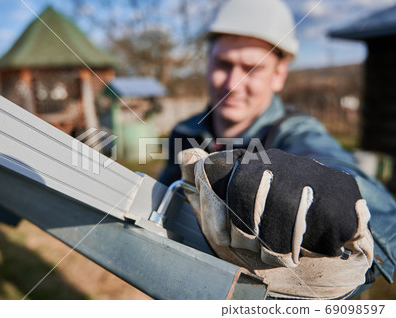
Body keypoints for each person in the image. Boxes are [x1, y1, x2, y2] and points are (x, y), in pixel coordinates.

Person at [159, 0, 396, 299]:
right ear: (208, 62)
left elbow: (347, 180)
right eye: (223, 64)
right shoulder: (185, 132)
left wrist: (334, 197)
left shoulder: (295, 132)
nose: (233, 83)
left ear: (279, 75)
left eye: (251, 68)